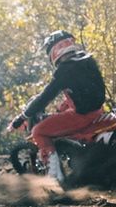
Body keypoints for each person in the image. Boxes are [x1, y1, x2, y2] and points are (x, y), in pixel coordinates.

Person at [6, 30, 107, 181]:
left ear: (55, 50)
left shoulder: (65, 70)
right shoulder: (87, 60)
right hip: (98, 110)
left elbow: (44, 97)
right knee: (61, 108)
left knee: (38, 131)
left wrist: (21, 118)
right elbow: (85, 89)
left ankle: (55, 176)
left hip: (83, 115)